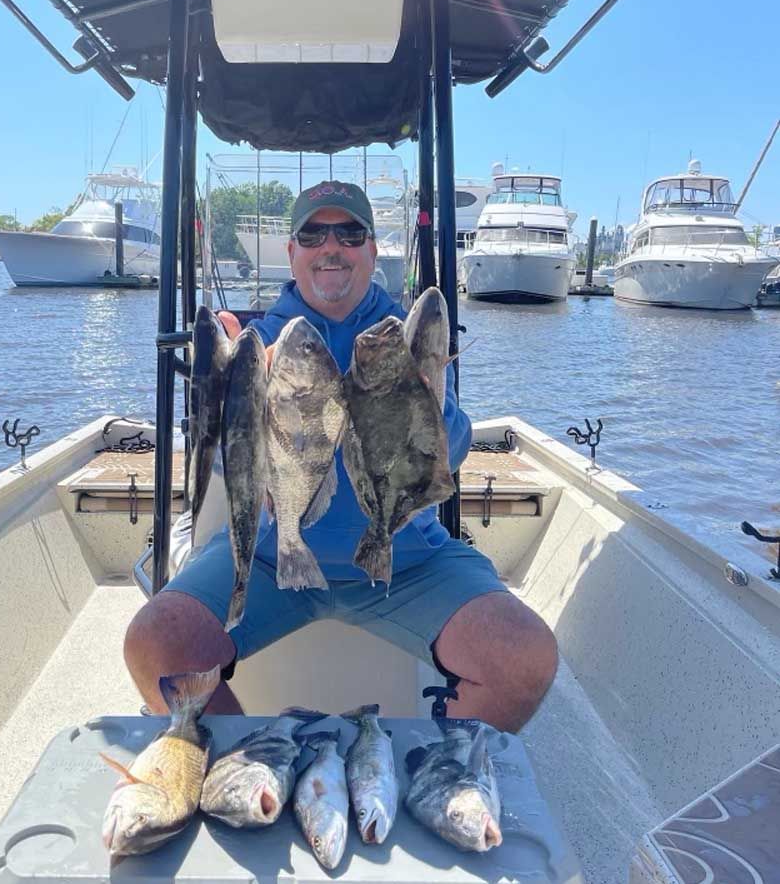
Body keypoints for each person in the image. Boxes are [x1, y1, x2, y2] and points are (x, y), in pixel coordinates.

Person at [124, 180, 557, 733]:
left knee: (527, 658)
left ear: (372, 251)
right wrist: (225, 387)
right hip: (269, 559)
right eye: (313, 233)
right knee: (152, 643)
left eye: (350, 233)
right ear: (293, 253)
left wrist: (424, 398)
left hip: (407, 560)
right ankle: (246, 769)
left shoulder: (403, 339)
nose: (332, 246)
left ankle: (441, 771)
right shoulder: (261, 343)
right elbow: (226, 470)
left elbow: (447, 457)